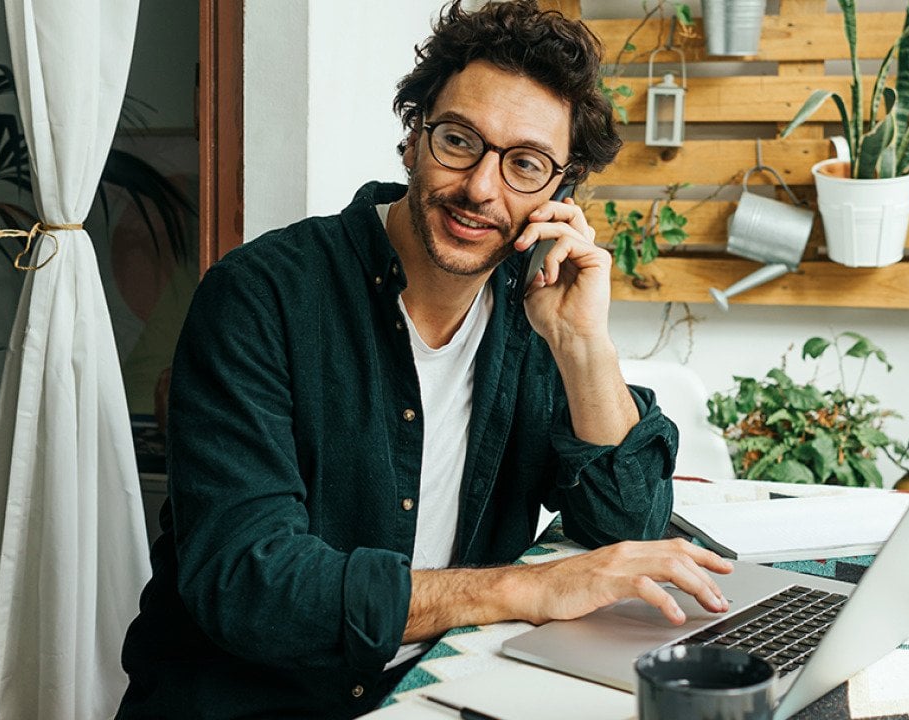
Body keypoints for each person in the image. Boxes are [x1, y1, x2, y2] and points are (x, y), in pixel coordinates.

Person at [116, 2, 732, 718]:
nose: (480, 188)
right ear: (414, 139)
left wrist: (581, 344)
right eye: (459, 141)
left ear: (559, 194)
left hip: (435, 689)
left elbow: (627, 530)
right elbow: (251, 584)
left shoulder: (531, 315)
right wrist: (520, 588)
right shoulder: (260, 296)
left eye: (524, 164)